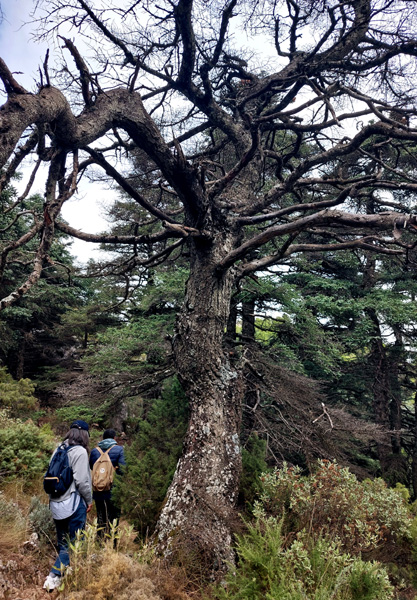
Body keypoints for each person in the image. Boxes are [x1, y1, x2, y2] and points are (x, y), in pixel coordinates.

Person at [43, 420, 93, 593]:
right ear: (85, 435)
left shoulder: (59, 448)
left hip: (56, 504)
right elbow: (82, 481)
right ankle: (54, 576)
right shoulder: (80, 452)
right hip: (73, 504)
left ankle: (61, 576)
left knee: (63, 543)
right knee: (75, 542)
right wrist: (89, 500)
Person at [89, 428, 125, 536]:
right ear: (114, 438)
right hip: (113, 489)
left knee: (101, 516)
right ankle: (113, 541)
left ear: (103, 438)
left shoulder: (95, 451)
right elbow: (123, 469)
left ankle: (100, 540)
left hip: (98, 489)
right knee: (114, 517)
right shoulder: (119, 450)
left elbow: (91, 467)